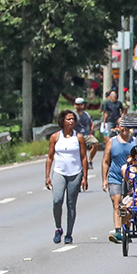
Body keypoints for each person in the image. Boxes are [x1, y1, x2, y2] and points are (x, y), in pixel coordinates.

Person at [45, 109, 88, 243]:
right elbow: (50, 157)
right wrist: (47, 176)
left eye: (73, 119)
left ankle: (69, 234)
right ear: (62, 121)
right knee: (57, 201)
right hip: (59, 172)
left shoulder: (79, 137)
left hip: (75, 173)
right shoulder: (55, 137)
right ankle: (58, 228)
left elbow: (84, 158)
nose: (71, 121)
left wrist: (85, 177)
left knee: (71, 204)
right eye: (68, 119)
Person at [102, 124, 135, 243]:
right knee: (117, 202)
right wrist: (104, 179)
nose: (124, 128)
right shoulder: (112, 142)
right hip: (115, 177)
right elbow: (106, 161)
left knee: (129, 204)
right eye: (121, 126)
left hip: (130, 178)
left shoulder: (135, 141)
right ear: (118, 127)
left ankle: (127, 229)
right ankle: (117, 231)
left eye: (126, 126)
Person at [72, 98, 99, 169]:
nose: (79, 106)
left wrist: (90, 132)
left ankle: (89, 160)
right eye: (78, 105)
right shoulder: (73, 114)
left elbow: (91, 124)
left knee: (95, 143)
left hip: (86, 135)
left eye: (81, 104)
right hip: (76, 135)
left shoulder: (86, 114)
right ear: (75, 105)